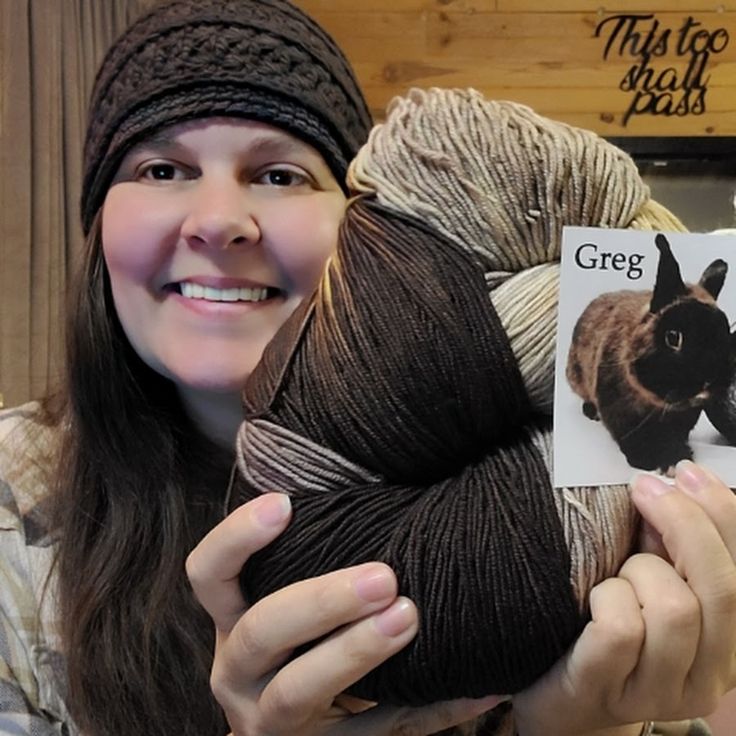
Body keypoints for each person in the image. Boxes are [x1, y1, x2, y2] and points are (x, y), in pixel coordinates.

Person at [0, 1, 734, 735]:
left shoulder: (597, 494)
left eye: (280, 175)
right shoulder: (11, 520)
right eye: (161, 168)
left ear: (372, 235)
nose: (218, 219)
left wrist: (593, 728)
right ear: (97, 226)